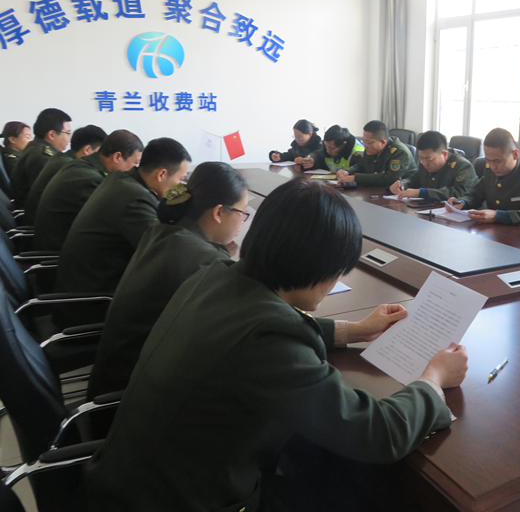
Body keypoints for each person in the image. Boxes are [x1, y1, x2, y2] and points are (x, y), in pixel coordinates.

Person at [86, 177, 467, 512]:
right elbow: (375, 434)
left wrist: (353, 330)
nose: (333, 283)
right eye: (336, 271)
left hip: (131, 481)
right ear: (313, 265)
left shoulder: (216, 275)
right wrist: (433, 379)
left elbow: (257, 328)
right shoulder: (269, 338)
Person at [87, 162, 248, 402]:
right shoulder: (205, 261)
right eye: (242, 213)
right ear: (218, 212)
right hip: (132, 399)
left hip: (111, 379)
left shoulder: (163, 233)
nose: (242, 222)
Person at [54, 138, 191, 302]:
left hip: (82, 283)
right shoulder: (135, 199)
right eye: (181, 179)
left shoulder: (120, 179)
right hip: (93, 299)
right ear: (161, 174)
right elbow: (162, 253)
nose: (181, 186)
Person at [34, 130, 144, 251]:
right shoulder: (92, 180)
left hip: (57, 242)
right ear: (117, 157)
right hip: (58, 250)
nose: (136, 169)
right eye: (136, 163)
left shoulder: (82, 165)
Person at [447, 128, 520, 226]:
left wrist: (499, 216)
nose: (492, 166)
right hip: (497, 232)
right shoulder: (490, 169)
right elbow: (476, 194)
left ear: (515, 154)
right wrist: (462, 202)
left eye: (497, 161)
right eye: (488, 160)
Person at [25, 124, 107, 222]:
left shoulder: (62, 158)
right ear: (87, 150)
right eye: (100, 153)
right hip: (39, 224)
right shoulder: (74, 169)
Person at [389, 130, 478, 201]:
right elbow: (415, 178)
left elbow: (459, 193)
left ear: (444, 154)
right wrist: (403, 184)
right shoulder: (424, 161)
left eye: (429, 159)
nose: (424, 163)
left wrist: (423, 192)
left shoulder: (463, 166)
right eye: (421, 158)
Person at [11, 108, 72, 207]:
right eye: (68, 133)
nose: (70, 138)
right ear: (51, 135)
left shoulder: (35, 147)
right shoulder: (43, 157)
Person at [336, 120, 416, 187]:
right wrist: (347, 171)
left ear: (383, 142)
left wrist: (355, 178)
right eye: (364, 141)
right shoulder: (371, 148)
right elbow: (362, 165)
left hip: (401, 193)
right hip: (375, 190)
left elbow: (390, 178)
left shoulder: (400, 152)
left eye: (368, 142)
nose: (365, 145)